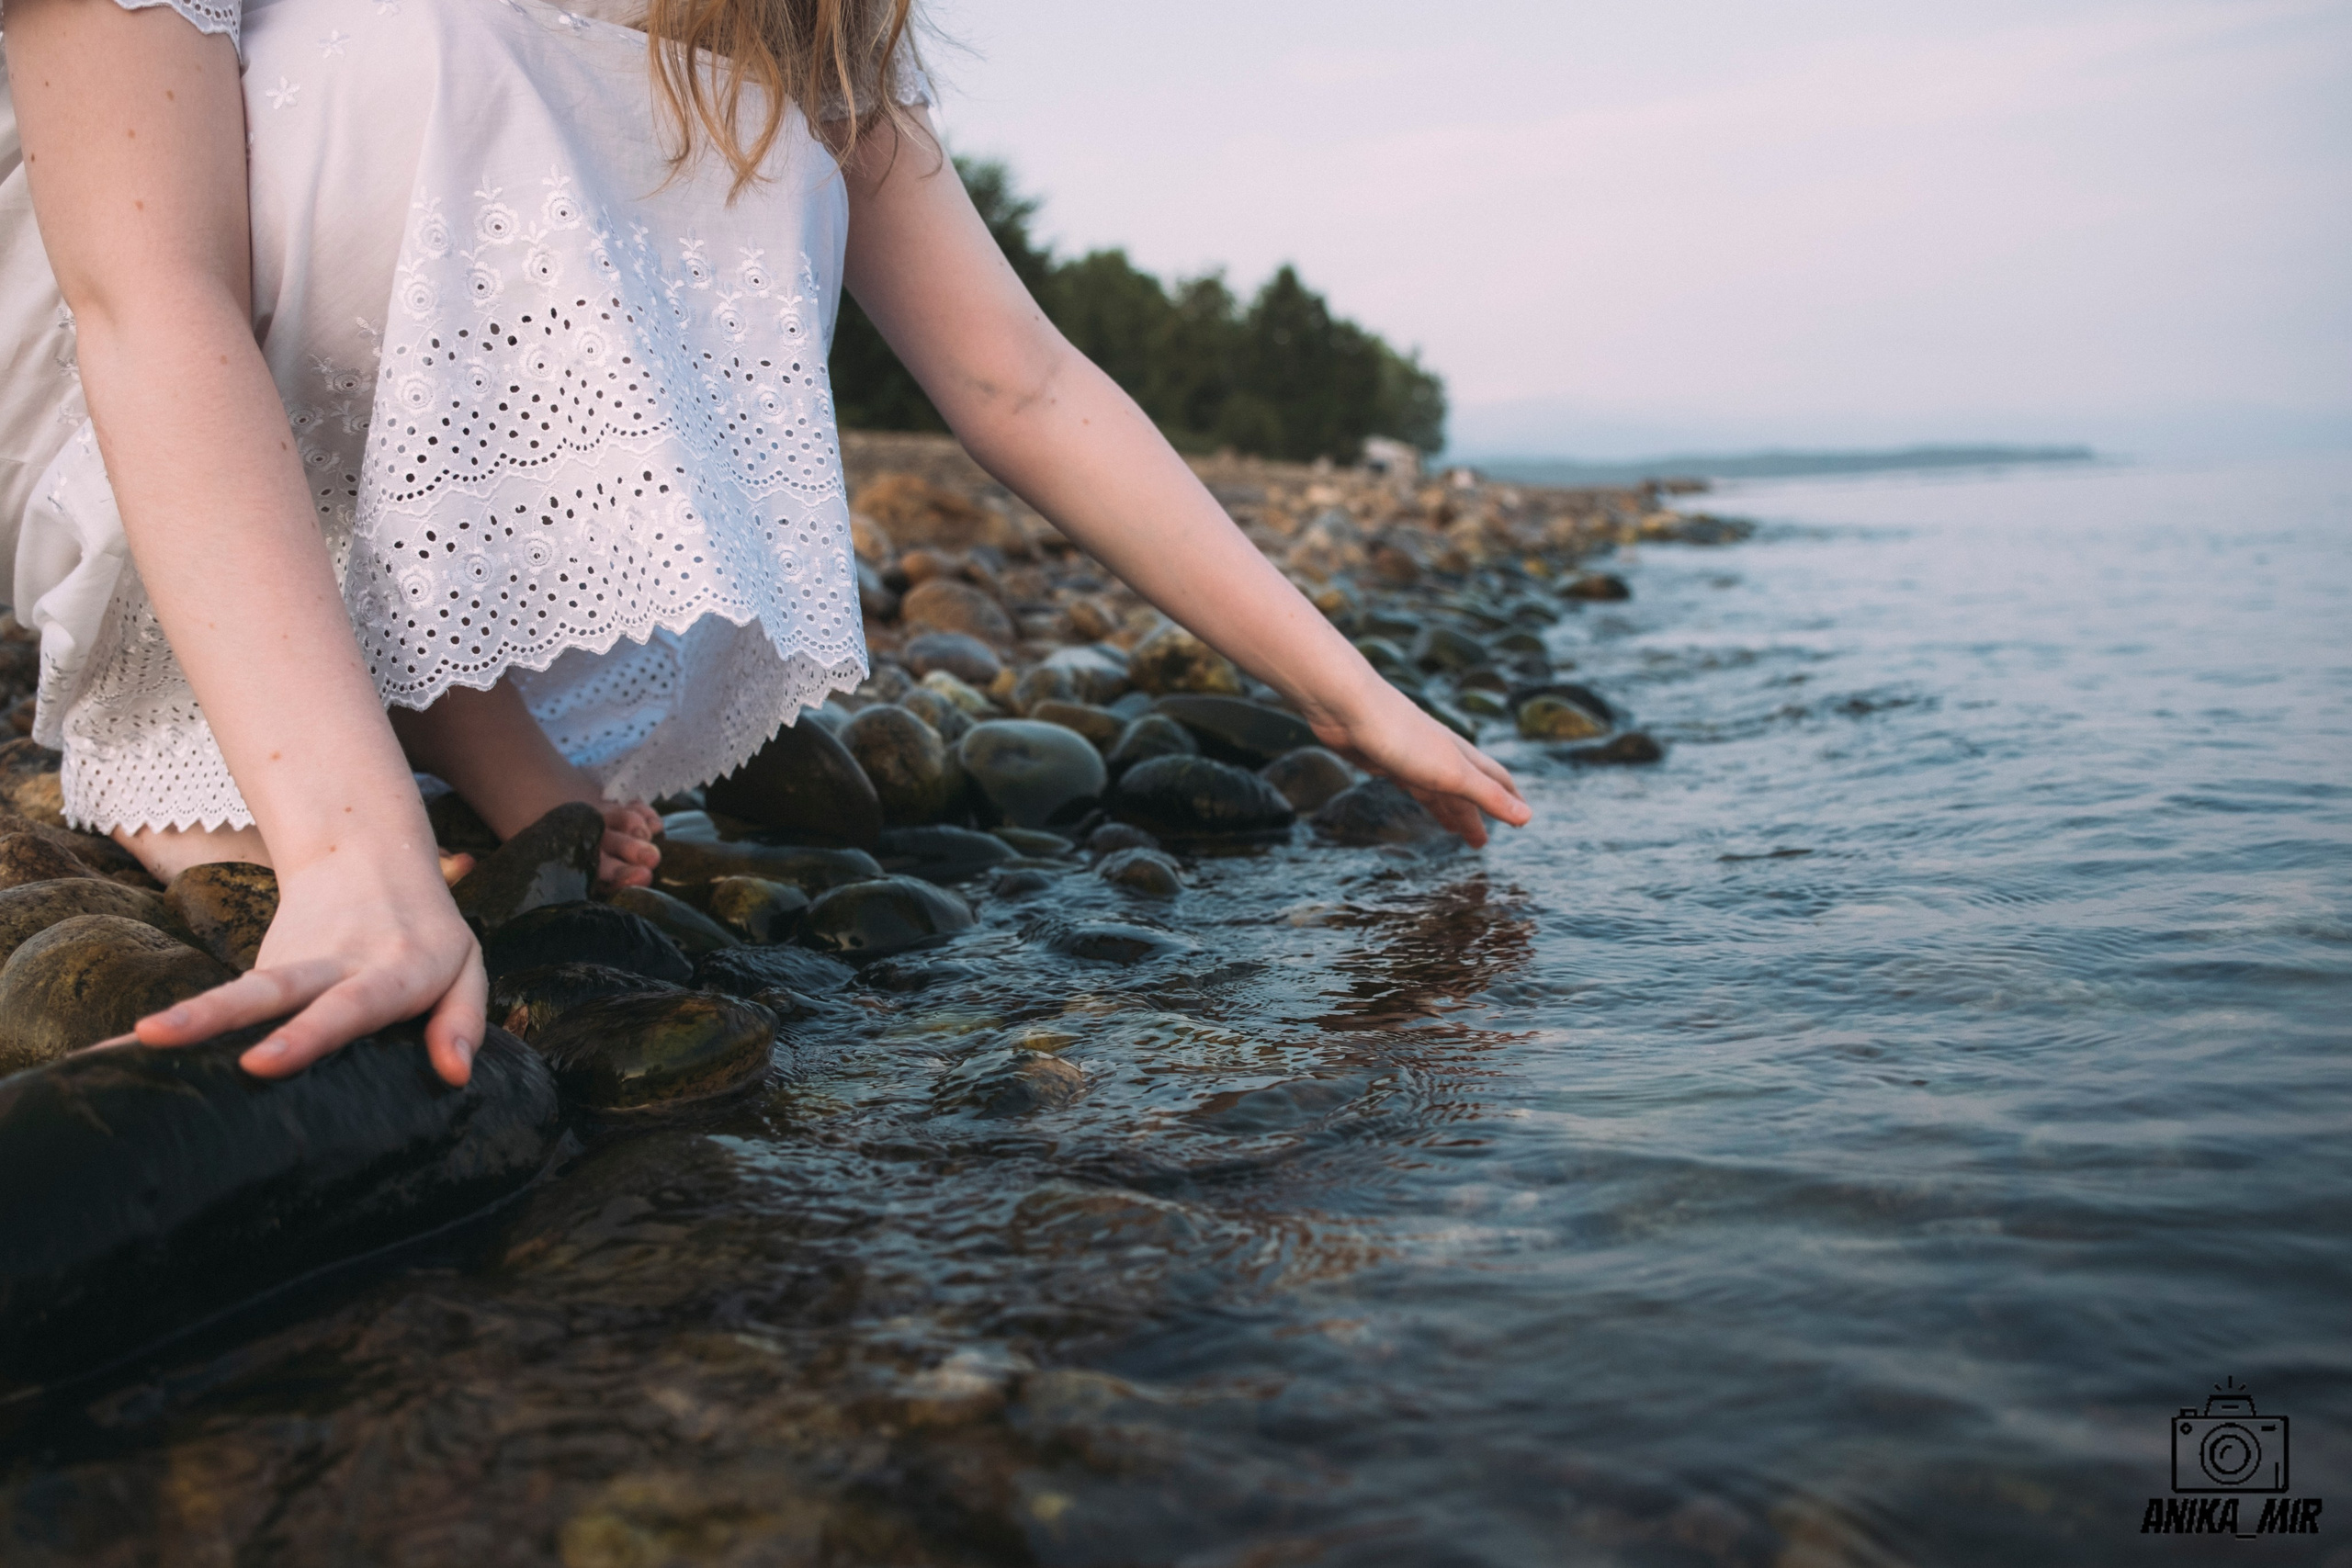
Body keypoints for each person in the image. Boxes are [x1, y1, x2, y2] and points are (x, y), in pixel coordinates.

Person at [0, 0, 1530, 1089]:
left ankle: (454, 693)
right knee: (433, 49)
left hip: (348, 413)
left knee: (755, 112)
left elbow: (1019, 377)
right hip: (103, 357)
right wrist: (355, 860)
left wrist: (1346, 694)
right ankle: (217, 730)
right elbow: (150, 294)